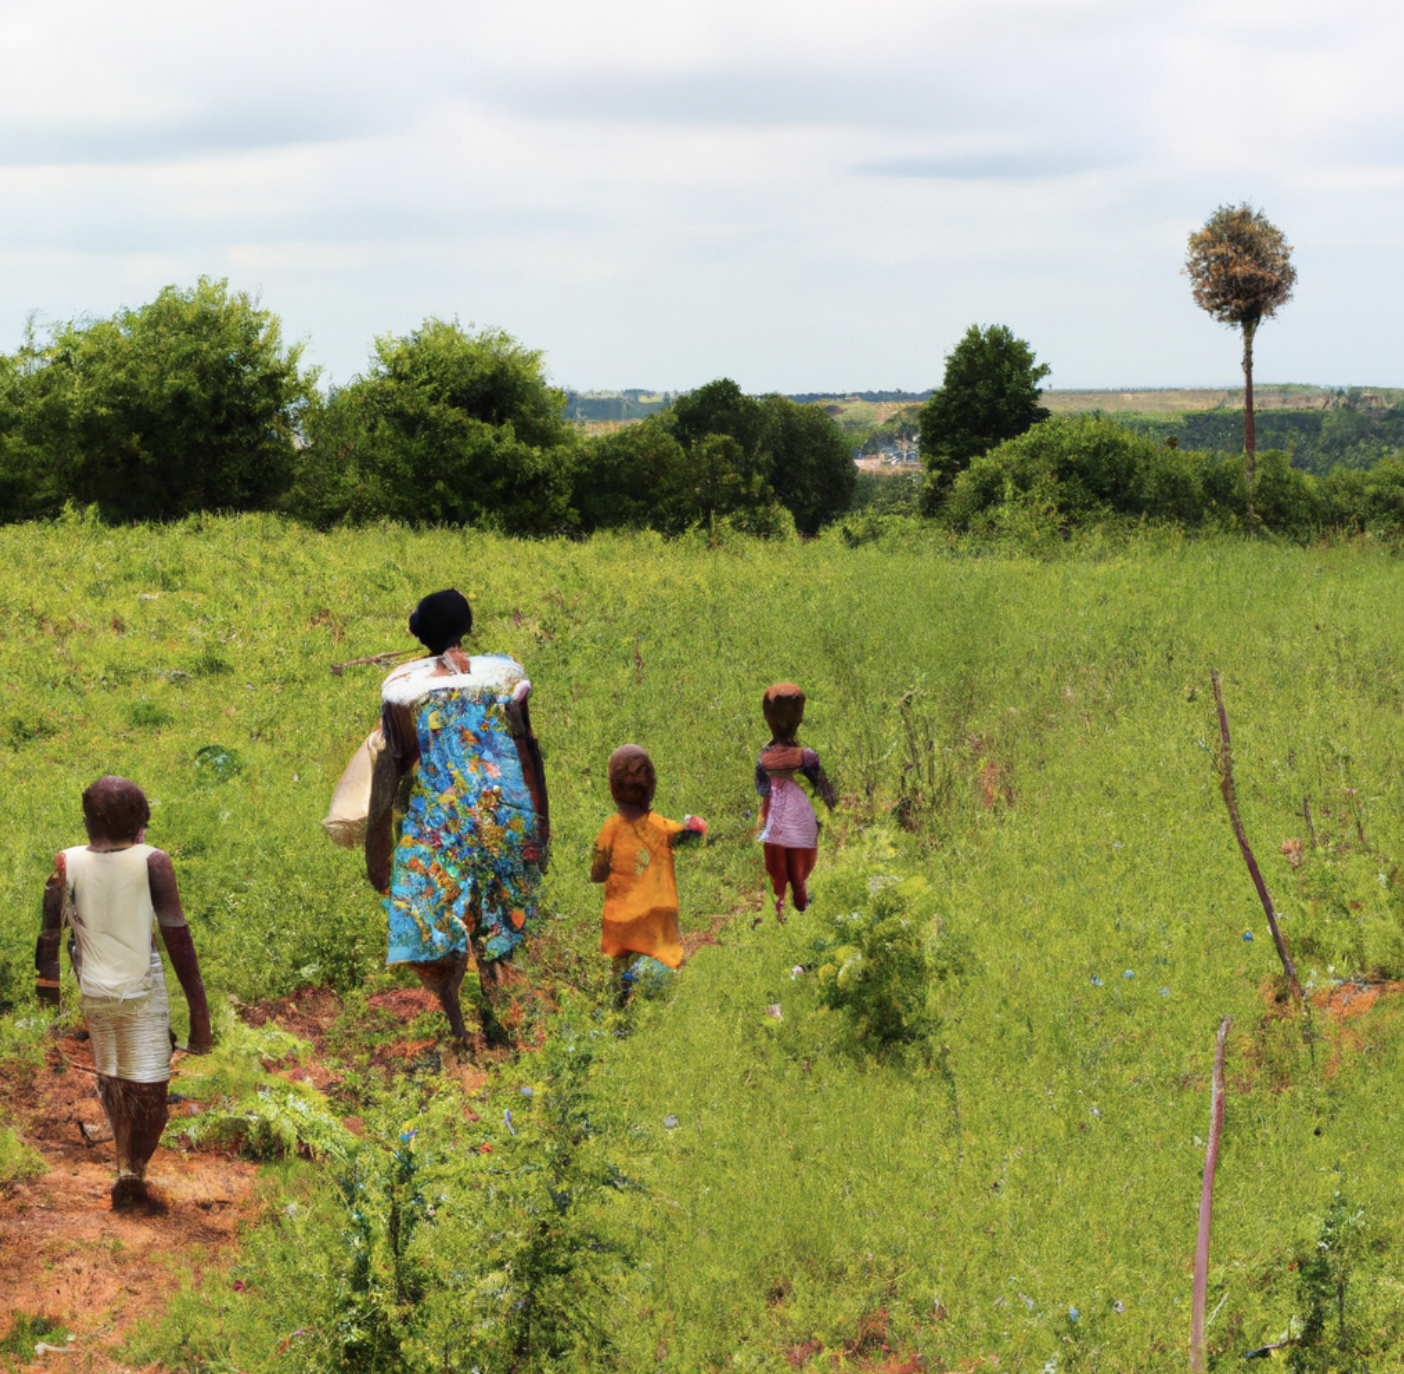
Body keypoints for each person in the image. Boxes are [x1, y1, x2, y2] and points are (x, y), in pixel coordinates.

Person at [366, 590, 549, 1045]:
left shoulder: (401, 689)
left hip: (439, 827)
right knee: (498, 921)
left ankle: (458, 1027)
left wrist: (378, 847)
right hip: (505, 815)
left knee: (436, 922)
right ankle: (501, 1016)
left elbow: (390, 767)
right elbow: (528, 751)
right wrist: (541, 821)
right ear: (466, 628)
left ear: (415, 632)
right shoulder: (506, 675)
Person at [34, 776, 212, 1210]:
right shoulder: (154, 862)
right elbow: (177, 938)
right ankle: (132, 1168)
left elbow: (48, 941)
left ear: (87, 822)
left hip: (93, 990)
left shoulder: (65, 862)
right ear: (141, 823)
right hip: (141, 989)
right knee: (149, 1085)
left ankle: (124, 1163)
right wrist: (199, 1013)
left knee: (113, 1075)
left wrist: (50, 1010)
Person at [591, 745, 706, 1001]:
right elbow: (692, 840)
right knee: (661, 954)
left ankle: (620, 1001)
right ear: (652, 786)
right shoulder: (663, 827)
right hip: (657, 916)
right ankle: (653, 989)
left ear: (613, 790)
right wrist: (697, 826)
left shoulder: (609, 829)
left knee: (618, 968)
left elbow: (597, 872)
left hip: (620, 921)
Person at [754, 682, 837, 926]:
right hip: (802, 826)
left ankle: (776, 917)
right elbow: (824, 791)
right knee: (799, 875)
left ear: (766, 716)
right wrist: (832, 809)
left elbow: (764, 795)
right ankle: (803, 913)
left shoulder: (764, 758)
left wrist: (761, 825)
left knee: (777, 876)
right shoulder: (806, 756)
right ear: (800, 716)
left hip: (775, 828)